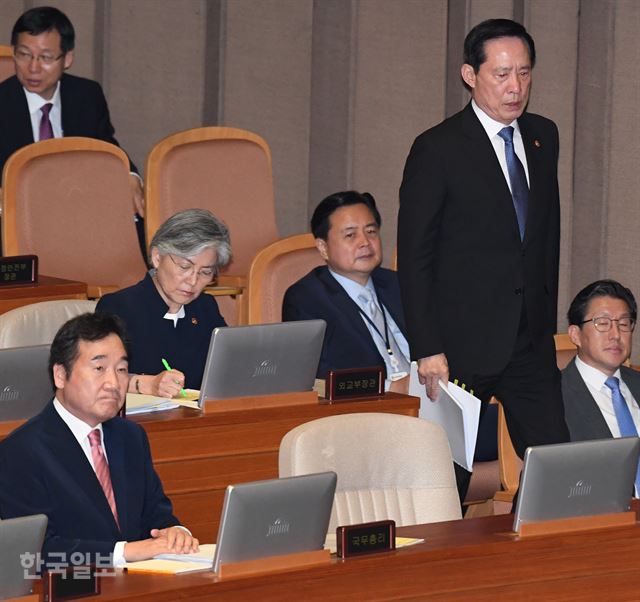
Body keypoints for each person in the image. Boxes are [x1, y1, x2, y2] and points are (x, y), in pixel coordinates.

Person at [397, 18, 569, 495]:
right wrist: (427, 347)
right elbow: (415, 256)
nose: (516, 88)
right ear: (470, 75)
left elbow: (543, 237)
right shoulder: (437, 148)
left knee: (557, 469)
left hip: (528, 342)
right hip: (458, 348)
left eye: (525, 73)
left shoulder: (542, 136)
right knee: (445, 481)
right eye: (502, 74)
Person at [0, 312, 198, 565]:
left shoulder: (130, 437)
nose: (113, 382)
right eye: (99, 368)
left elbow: (157, 517)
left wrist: (176, 533)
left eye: (122, 369)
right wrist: (124, 553)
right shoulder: (21, 452)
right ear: (60, 375)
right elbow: (36, 553)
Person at [0, 6, 145, 253]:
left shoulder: (86, 95)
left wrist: (130, 177)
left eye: (45, 57)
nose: (33, 67)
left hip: (78, 208)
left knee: (135, 217)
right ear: (14, 54)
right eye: (24, 55)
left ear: (66, 59)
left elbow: (107, 148)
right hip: (16, 218)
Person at [283, 191, 410, 390]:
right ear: (323, 247)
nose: (365, 242)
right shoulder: (307, 299)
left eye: (371, 232)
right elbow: (318, 381)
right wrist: (391, 389)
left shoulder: (397, 284)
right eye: (350, 235)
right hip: (367, 411)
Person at [96, 208, 231, 395]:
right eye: (185, 267)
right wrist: (146, 384)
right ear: (157, 257)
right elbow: (96, 376)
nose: (192, 281)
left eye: (205, 272)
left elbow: (230, 365)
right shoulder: (118, 307)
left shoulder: (205, 307)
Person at [562, 280, 640, 445]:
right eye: (603, 323)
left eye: (624, 323)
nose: (616, 334)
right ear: (575, 334)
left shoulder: (637, 382)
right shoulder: (553, 395)